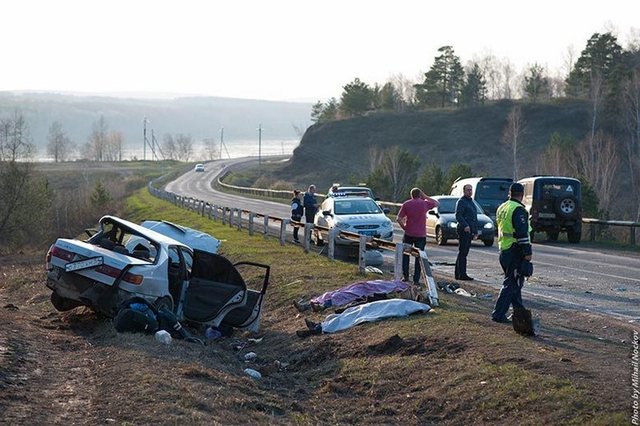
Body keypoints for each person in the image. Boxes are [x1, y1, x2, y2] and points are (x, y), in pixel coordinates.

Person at [491, 183, 533, 323]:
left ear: (509, 193)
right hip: (515, 249)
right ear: (521, 194)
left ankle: (519, 313)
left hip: (504, 248)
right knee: (511, 283)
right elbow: (522, 233)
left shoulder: (502, 207)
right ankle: (498, 314)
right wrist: (527, 252)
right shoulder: (519, 210)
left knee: (515, 283)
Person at [397, 187, 439, 284]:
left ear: (411, 195)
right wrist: (426, 196)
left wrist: (404, 227)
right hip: (420, 235)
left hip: (409, 233)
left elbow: (399, 218)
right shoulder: (424, 203)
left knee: (406, 255)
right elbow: (436, 203)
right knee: (419, 257)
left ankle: (406, 276)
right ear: (420, 195)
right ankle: (416, 279)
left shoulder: (406, 204)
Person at [455, 184, 478, 280]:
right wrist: (465, 225)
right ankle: (461, 274)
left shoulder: (471, 202)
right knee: (463, 252)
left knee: (464, 252)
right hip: (464, 229)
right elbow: (458, 215)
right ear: (464, 191)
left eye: (471, 190)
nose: (470, 191)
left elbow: (474, 217)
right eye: (468, 190)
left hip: (470, 230)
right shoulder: (461, 201)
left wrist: (475, 231)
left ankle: (459, 273)